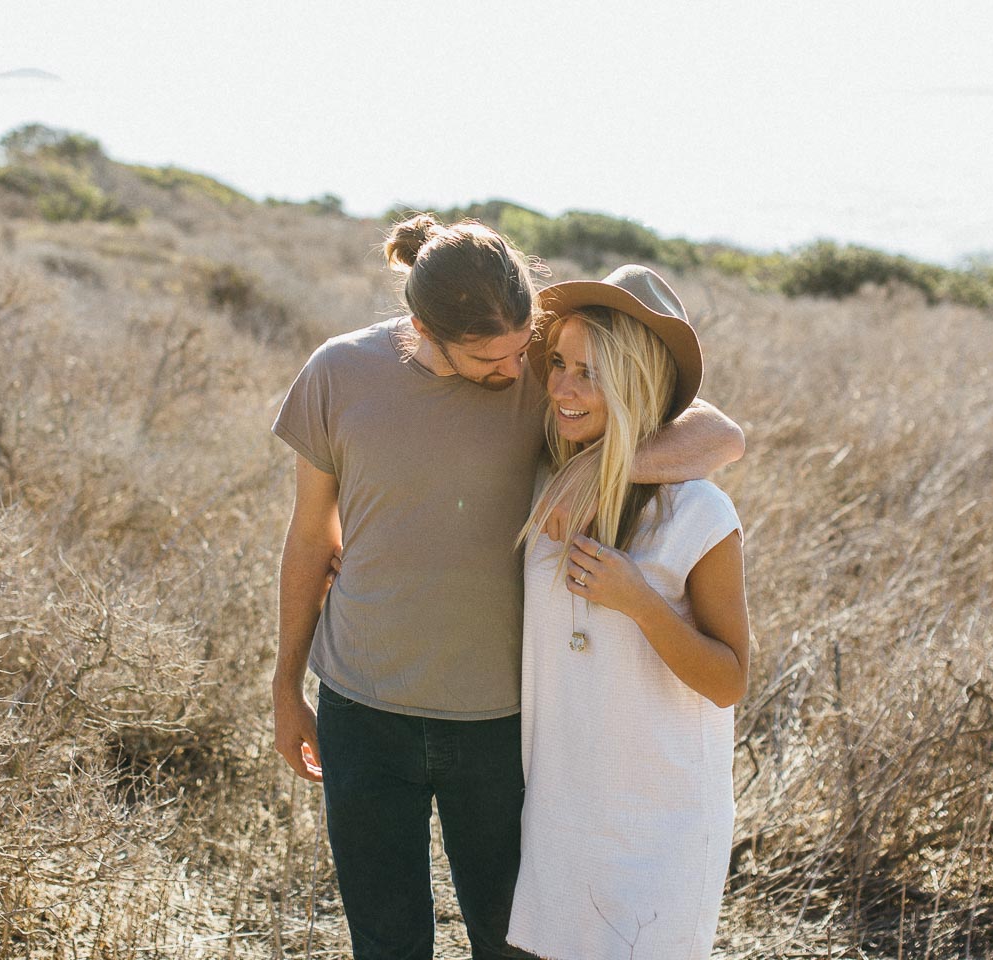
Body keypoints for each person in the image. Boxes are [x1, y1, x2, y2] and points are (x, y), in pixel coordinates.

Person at [271, 216, 744, 960]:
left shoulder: (545, 376)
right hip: (361, 708)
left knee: (508, 942)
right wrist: (285, 684)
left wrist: (599, 467)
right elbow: (310, 539)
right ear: (423, 328)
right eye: (492, 359)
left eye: (526, 348)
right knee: (385, 942)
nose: (518, 371)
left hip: (498, 727)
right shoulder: (339, 372)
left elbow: (717, 431)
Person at [507, 265, 749, 960]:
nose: (561, 387)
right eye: (556, 363)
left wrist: (640, 602)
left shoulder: (699, 513)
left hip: (657, 832)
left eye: (589, 371)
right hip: (556, 825)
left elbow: (729, 679)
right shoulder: (544, 483)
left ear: (634, 379)